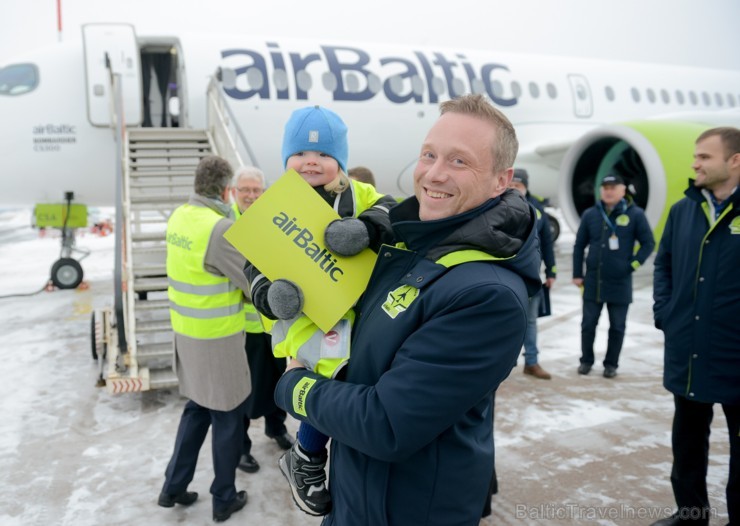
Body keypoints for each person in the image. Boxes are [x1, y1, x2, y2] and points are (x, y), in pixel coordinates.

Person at [272, 94, 542, 525]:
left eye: (459, 161)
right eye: (429, 155)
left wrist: (293, 387)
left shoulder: (487, 295)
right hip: (356, 499)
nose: (434, 173)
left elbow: (385, 424)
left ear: (500, 180)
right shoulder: (409, 246)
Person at [244, 105, 396, 516]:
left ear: (340, 162)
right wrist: (269, 296)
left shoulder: (359, 194)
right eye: (299, 156)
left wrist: (367, 229)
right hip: (306, 322)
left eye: (325, 156)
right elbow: (252, 267)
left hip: (356, 314)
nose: (311, 162)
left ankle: (313, 455)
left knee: (355, 386)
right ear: (285, 160)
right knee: (326, 386)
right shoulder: (271, 208)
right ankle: (307, 457)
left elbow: (392, 211)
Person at [650, 127, 740, 526]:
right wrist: (665, 313)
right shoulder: (682, 210)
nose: (694, 164)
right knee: (687, 445)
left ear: (734, 160)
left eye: (704, 157)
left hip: (734, 354)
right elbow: (663, 264)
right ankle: (690, 516)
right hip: (688, 348)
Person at [159, 156, 250, 523]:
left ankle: (173, 487)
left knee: (197, 410)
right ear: (227, 190)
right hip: (218, 342)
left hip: (187, 336)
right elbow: (250, 281)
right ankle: (224, 497)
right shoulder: (219, 229)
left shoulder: (180, 216)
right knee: (228, 418)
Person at [230, 166, 294, 476]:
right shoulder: (228, 226)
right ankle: (240, 445)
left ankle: (275, 427)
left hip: (274, 324)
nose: (252, 196)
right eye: (246, 191)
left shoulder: (271, 221)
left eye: (257, 190)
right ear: (234, 193)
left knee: (277, 381)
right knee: (245, 390)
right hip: (244, 327)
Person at [572, 173, 654, 378]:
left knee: (617, 326)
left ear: (623, 191)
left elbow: (648, 243)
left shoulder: (635, 214)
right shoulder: (591, 214)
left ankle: (611, 364)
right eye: (605, 187)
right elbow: (579, 245)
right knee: (588, 324)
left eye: (613, 187)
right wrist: (577, 273)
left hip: (620, 281)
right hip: (593, 281)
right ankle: (586, 361)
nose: (608, 191)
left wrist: (632, 265)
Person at [509, 168, 556, 379]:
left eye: (517, 186)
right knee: (503, 320)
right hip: (505, 275)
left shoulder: (538, 210)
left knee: (530, 322)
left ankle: (532, 362)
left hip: (531, 276)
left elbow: (547, 242)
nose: (514, 189)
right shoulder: (497, 205)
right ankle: (504, 362)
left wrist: (552, 271)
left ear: (526, 187)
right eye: (511, 185)